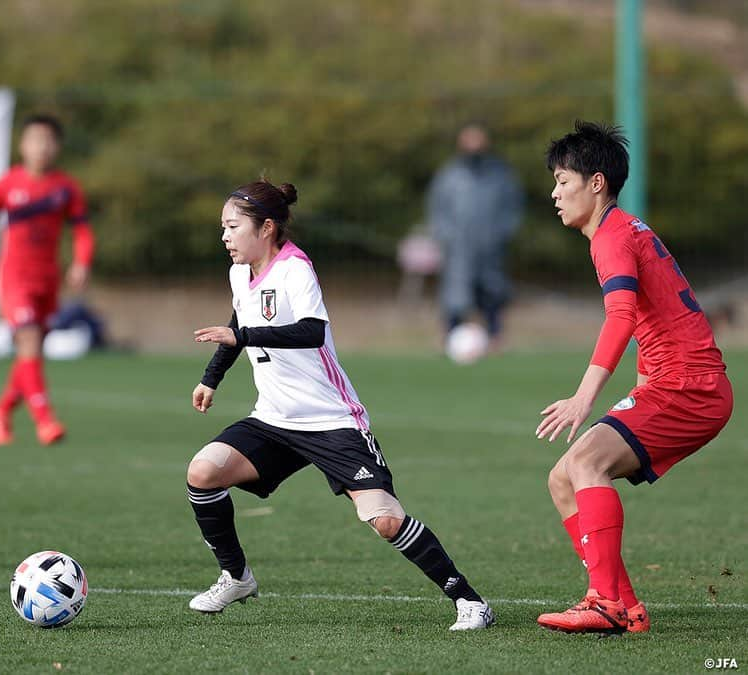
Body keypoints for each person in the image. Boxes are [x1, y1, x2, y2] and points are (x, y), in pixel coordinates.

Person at [186, 179, 494, 631]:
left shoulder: (295, 270)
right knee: (203, 472)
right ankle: (236, 577)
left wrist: (243, 337)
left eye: (233, 226)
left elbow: (310, 330)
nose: (225, 236)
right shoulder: (239, 273)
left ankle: (470, 601)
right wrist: (210, 378)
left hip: (333, 422)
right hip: (273, 419)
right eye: (223, 228)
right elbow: (239, 324)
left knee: (384, 520)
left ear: (266, 228)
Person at [535, 121, 732, 634]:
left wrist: (585, 397)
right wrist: (644, 380)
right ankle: (626, 606)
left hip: (690, 387)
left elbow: (621, 316)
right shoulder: (625, 228)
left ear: (595, 183)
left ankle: (603, 603)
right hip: (683, 383)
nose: (554, 194)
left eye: (562, 181)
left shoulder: (611, 238)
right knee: (562, 478)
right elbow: (660, 314)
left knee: (585, 460)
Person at [0, 113, 95, 446]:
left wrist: (81, 262)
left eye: (48, 141)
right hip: (14, 276)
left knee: (30, 355)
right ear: (22, 145)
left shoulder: (65, 188)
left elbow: (82, 231)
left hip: (47, 279)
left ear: (57, 147)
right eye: (34, 140)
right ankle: (45, 421)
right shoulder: (8, 184)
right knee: (30, 342)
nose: (41, 148)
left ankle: (1, 410)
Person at [426, 123, 523, 352]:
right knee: (455, 295)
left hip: (491, 249)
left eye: (478, 140)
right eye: (469, 140)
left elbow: (513, 208)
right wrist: (446, 236)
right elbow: (437, 209)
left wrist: (501, 234)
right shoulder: (449, 175)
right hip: (458, 249)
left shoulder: (501, 175)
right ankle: (449, 338)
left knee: (492, 293)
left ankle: (495, 339)